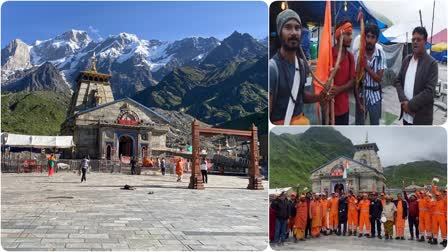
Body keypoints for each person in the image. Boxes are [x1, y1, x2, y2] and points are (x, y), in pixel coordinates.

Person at [270, 9, 330, 125]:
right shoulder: (272, 69)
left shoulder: (302, 65)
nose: (294, 32)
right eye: (288, 27)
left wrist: (319, 97)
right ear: (280, 32)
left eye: (297, 28)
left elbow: (300, 95)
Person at [394, 26, 438, 125]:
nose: (415, 42)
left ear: (425, 42)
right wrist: (403, 100)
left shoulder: (432, 64)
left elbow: (429, 91)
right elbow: (398, 81)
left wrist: (409, 105)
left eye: (418, 40)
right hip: (406, 116)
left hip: (420, 118)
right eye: (413, 39)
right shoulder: (407, 60)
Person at [355, 23, 387, 125]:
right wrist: (358, 102)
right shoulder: (359, 53)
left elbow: (378, 78)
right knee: (359, 125)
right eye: (367, 37)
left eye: (372, 37)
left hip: (375, 97)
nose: (369, 40)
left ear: (377, 39)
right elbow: (355, 80)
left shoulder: (381, 55)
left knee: (374, 125)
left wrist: (366, 67)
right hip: (361, 95)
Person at [328, 18, 355, 125]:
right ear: (339, 35)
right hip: (329, 108)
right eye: (348, 34)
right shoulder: (329, 55)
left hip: (344, 108)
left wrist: (339, 89)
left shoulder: (350, 57)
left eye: (351, 34)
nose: (351, 38)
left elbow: (353, 81)